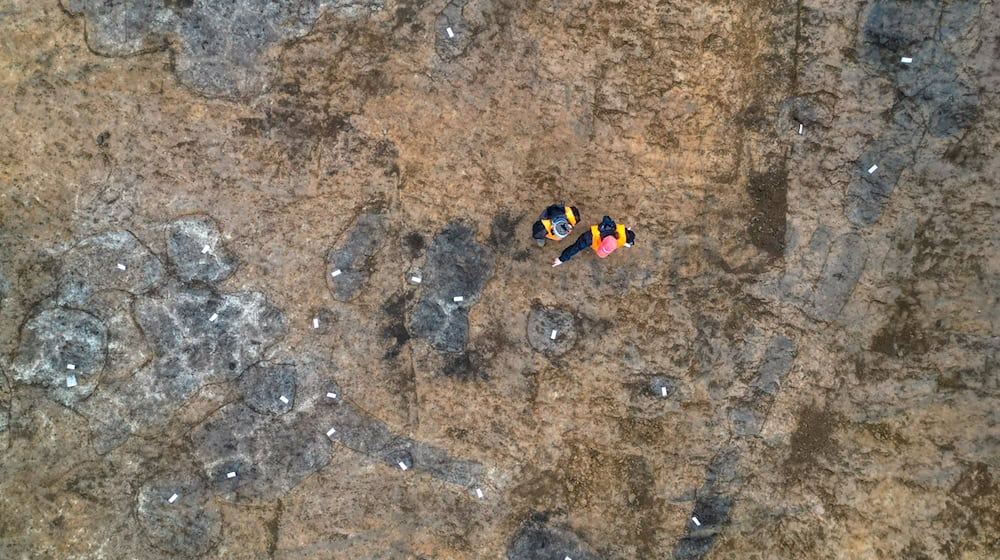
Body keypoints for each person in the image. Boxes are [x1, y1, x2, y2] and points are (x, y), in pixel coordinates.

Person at [552, 215, 635, 267]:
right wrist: (561, 259)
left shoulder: (619, 232)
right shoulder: (588, 238)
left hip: (601, 233)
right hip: (590, 237)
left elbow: (607, 218)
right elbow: (574, 248)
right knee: (578, 246)